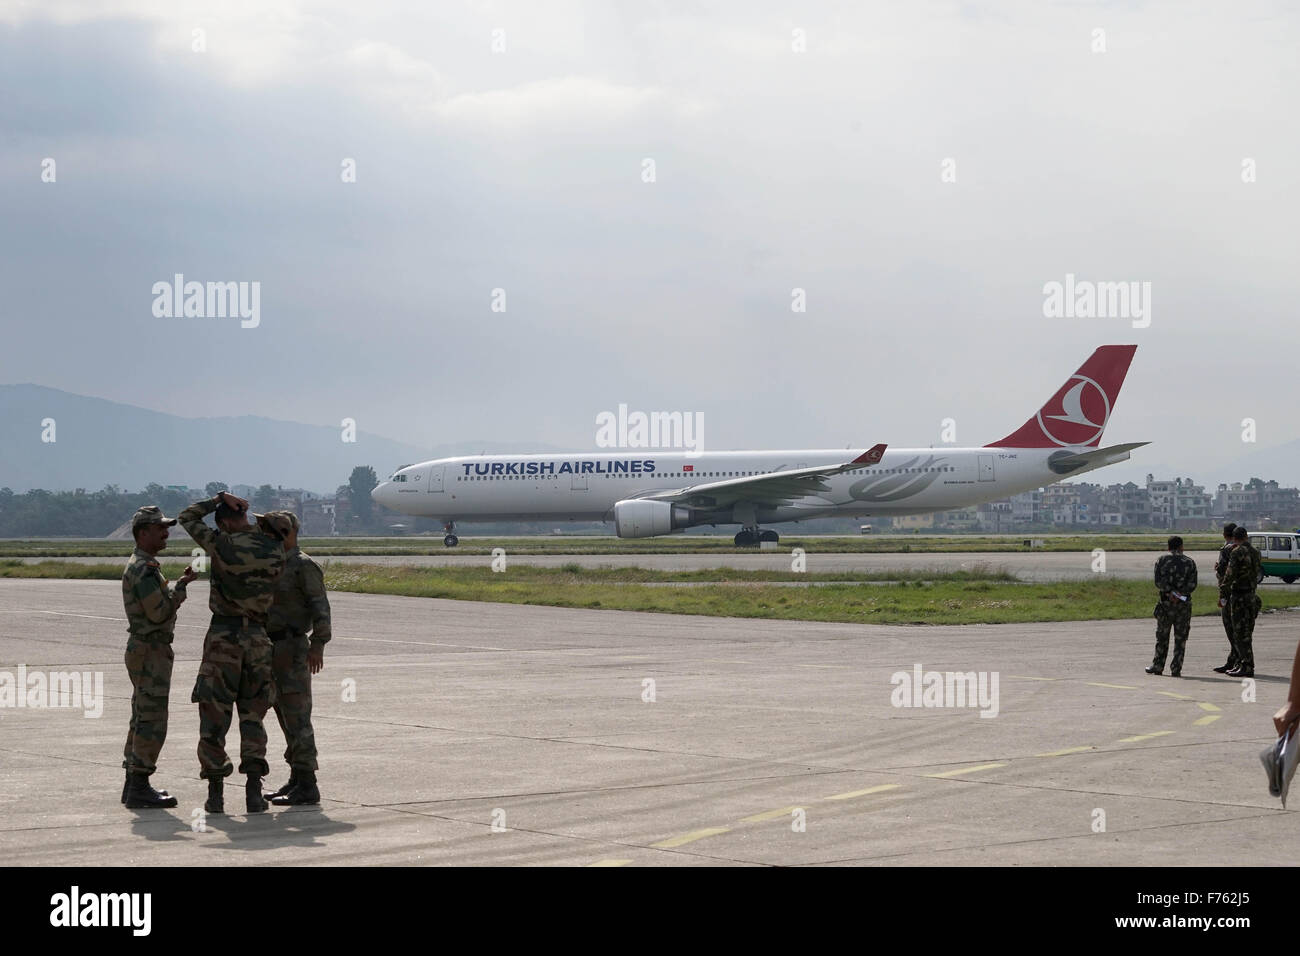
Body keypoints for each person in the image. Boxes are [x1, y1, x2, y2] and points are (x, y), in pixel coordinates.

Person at [179, 491, 290, 814]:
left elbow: (187, 518)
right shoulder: (273, 548)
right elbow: (265, 533)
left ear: (224, 524)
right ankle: (254, 791)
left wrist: (216, 500)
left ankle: (215, 793)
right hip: (258, 637)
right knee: (253, 716)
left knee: (214, 716)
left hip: (223, 636)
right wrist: (243, 513)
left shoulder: (221, 544)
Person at [121, 506, 197, 808]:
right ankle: (139, 784)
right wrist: (180, 590)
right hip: (150, 649)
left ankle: (133, 783)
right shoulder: (144, 569)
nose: (166, 533)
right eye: (159, 528)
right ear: (143, 533)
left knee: (141, 715)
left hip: (147, 649)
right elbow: (159, 613)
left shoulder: (146, 565)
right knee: (151, 719)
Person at [263, 511, 331, 806]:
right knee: (284, 716)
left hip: (292, 648)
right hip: (272, 648)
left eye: (271, 531)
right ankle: (296, 776)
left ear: (287, 533)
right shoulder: (275, 564)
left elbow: (321, 611)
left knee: (298, 717)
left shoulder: (303, 566)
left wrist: (318, 646)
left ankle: (308, 783)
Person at [1146, 535, 1197, 677]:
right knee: (1180, 638)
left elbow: (1158, 581)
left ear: (1168, 547)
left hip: (1166, 604)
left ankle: (1158, 665)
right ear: (1181, 546)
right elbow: (1192, 584)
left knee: (1162, 636)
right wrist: (1179, 594)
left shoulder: (1162, 560)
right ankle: (1176, 668)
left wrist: (1170, 593)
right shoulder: (1190, 562)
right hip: (1183, 605)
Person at [1220, 525, 1261, 678]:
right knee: (1247, 632)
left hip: (1239, 596)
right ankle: (1244, 664)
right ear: (1246, 536)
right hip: (1251, 595)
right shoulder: (1256, 552)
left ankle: (1247, 665)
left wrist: (1223, 592)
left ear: (1235, 538)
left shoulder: (1236, 552)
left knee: (1239, 633)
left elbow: (1229, 575)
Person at [1212, 522, 1239, 673]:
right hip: (1242, 592)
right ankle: (1234, 659)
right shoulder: (1244, 549)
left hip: (1228, 593)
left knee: (1230, 627)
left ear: (1224, 534)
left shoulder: (1227, 549)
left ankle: (1236, 660)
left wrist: (1222, 596)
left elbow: (1222, 573)